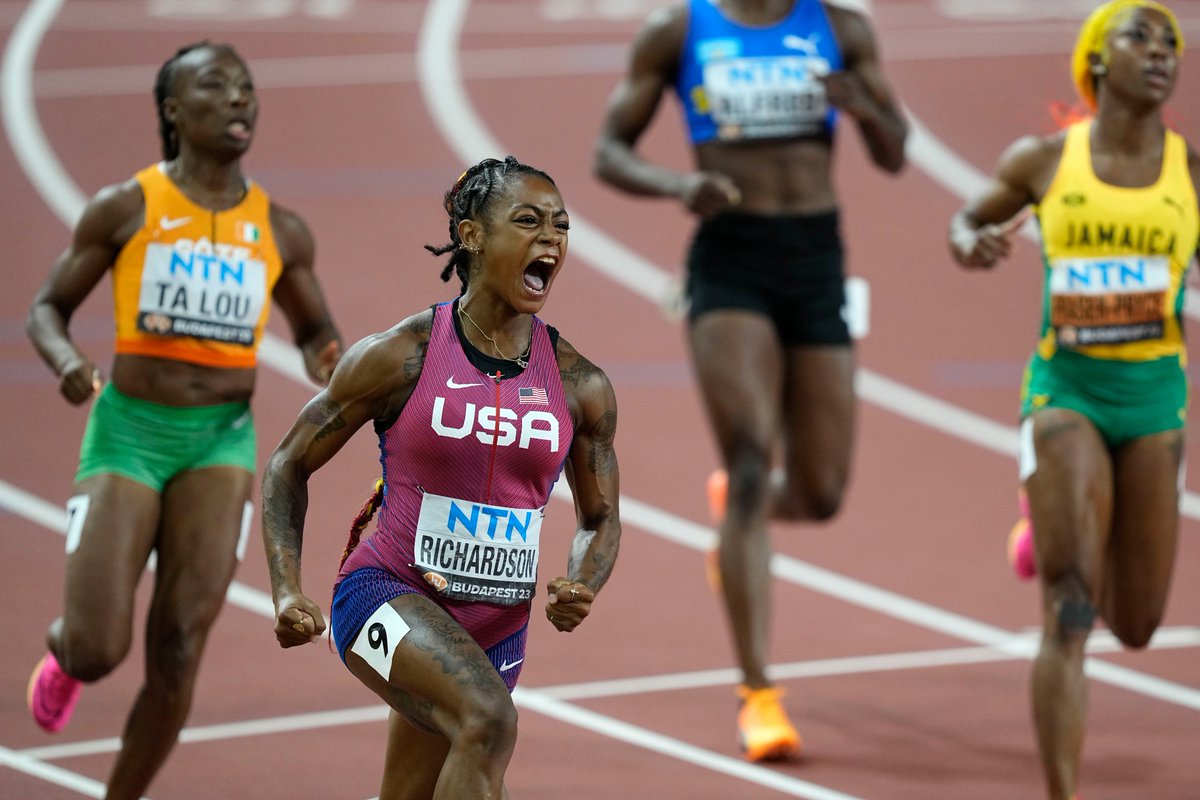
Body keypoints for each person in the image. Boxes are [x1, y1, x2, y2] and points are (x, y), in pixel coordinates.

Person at [24, 42, 342, 800]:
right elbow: (46, 309)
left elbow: (316, 335)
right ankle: (65, 655)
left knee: (177, 651)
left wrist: (333, 365)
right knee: (101, 644)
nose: (239, 99)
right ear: (172, 109)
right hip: (129, 433)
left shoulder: (282, 231)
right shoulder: (126, 207)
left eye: (246, 86)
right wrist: (66, 359)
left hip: (221, 444)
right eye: (215, 85)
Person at [593, 0, 907, 762]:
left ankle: (742, 514)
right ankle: (759, 694)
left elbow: (895, 153)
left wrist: (865, 110)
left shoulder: (842, 27)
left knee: (822, 492)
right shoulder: (679, 29)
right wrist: (675, 184)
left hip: (815, 256)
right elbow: (608, 151)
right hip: (730, 259)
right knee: (747, 450)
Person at [261, 156, 622, 799]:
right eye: (529, 221)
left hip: (498, 629)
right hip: (386, 596)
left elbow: (599, 519)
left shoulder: (579, 385)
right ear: (473, 235)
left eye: (561, 226)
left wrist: (584, 581)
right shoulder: (403, 356)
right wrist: (287, 587)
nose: (551, 240)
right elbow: (289, 463)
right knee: (486, 723)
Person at [947, 3, 1196, 798]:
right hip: (1068, 393)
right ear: (1095, 61)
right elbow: (967, 219)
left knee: (1137, 623)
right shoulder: (1047, 159)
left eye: (1171, 45)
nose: (1159, 54)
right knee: (1073, 610)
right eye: (1140, 39)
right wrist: (974, 241)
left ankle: (1055, 523)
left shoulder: (1188, 172)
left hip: (1155, 398)